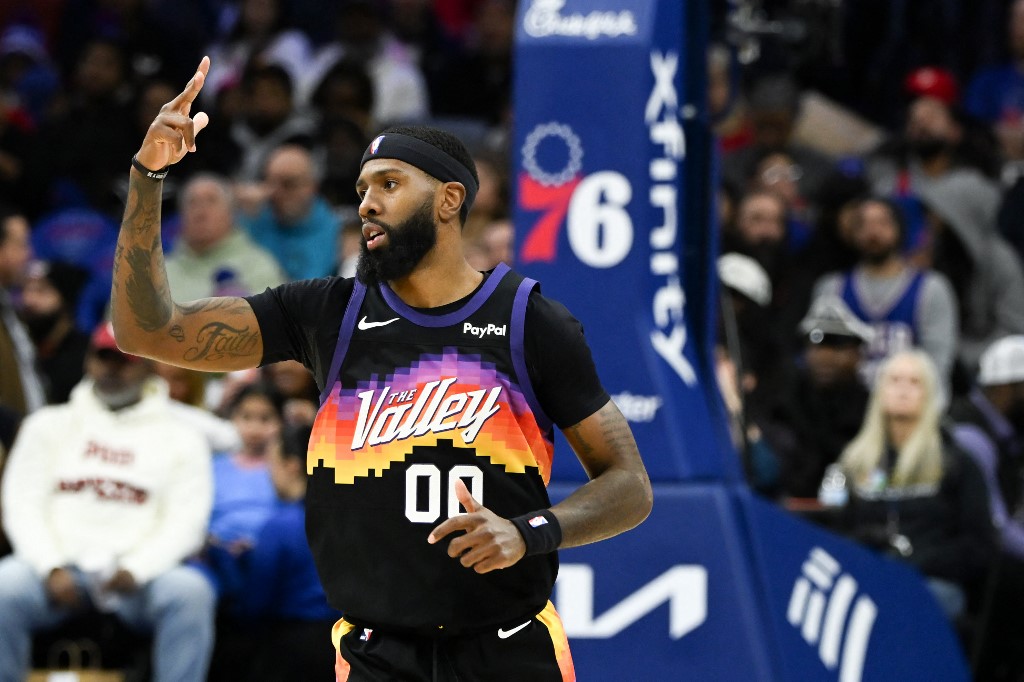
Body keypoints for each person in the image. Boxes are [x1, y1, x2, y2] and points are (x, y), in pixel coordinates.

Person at [110, 57, 652, 680]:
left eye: (389, 185)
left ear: (449, 199)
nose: (367, 204)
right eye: (362, 188)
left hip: (508, 649)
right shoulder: (324, 314)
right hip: (376, 654)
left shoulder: (530, 322)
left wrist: (528, 533)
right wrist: (149, 174)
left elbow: (630, 486)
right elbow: (146, 330)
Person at [0, 322, 216, 682]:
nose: (113, 369)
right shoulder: (47, 424)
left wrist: (138, 568)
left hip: (139, 578)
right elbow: (21, 503)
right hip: (56, 570)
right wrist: (50, 565)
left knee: (191, 593)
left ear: (149, 365)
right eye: (104, 358)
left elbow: (187, 520)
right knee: (4, 586)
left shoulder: (183, 437)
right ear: (88, 361)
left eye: (125, 360)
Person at [830, 350, 995, 622]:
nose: (903, 390)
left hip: (932, 581)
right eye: (894, 380)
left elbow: (978, 545)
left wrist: (919, 562)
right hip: (865, 577)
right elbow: (833, 524)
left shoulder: (957, 462)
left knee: (903, 601)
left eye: (915, 383)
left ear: (930, 395)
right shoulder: (851, 462)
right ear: (879, 392)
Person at [812, 197, 958, 391]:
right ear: (851, 234)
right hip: (843, 410)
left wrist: (858, 369)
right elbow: (818, 363)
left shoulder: (931, 289)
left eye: (882, 222)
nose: (873, 232)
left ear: (899, 228)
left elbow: (936, 370)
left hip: (910, 407)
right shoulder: (831, 289)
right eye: (863, 224)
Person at [236, 422, 342, 681]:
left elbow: (256, 603)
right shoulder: (346, 520)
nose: (269, 474)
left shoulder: (280, 526)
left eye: (272, 464)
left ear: (292, 466)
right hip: (345, 647)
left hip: (291, 650)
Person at [770, 295, 873, 499]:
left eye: (837, 344)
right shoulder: (786, 403)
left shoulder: (872, 410)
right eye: (816, 342)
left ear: (858, 354)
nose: (825, 355)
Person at [165, 173, 287, 301]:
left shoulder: (258, 266)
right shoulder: (161, 272)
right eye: (192, 203)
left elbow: (271, 317)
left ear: (231, 213)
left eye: (211, 201)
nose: (200, 212)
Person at [238, 143, 341, 281]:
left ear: (312, 186)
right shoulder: (254, 217)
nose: (277, 193)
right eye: (271, 183)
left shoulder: (335, 230)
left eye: (289, 184)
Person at [18, 259, 91, 404]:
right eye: (26, 289)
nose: (28, 300)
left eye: (42, 290)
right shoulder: (19, 346)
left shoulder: (86, 355)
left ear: (65, 298)